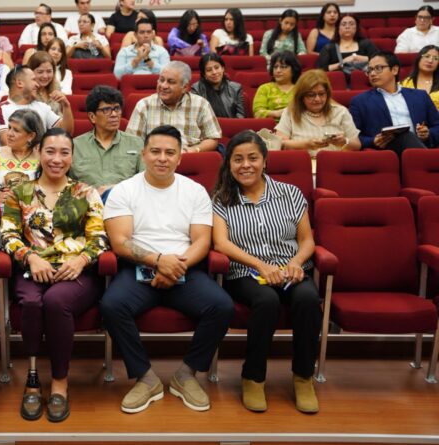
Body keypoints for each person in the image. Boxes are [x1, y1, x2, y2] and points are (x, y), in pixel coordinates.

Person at [100, 125, 234, 413]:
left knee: (222, 306)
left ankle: (186, 374)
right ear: (144, 154)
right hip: (138, 269)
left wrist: (174, 267)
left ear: (180, 157)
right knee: (111, 306)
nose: (162, 158)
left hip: (185, 268)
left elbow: (202, 241)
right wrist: (159, 261)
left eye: (170, 153)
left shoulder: (195, 191)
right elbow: (121, 243)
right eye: (156, 151)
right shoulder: (124, 190)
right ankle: (145, 378)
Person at [1, 128, 108, 422]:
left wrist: (82, 260)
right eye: (50, 151)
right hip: (32, 269)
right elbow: (8, 234)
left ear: (72, 156)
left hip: (76, 272)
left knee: (56, 301)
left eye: (64, 152)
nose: (57, 159)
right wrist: (31, 257)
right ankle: (33, 376)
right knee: (32, 302)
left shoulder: (86, 192)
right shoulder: (19, 192)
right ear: (38, 152)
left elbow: (99, 237)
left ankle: (60, 380)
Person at [211, 130, 321, 414]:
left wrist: (296, 262)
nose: (245, 165)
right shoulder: (222, 198)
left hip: (290, 269)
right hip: (245, 272)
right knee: (266, 301)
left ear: (264, 160)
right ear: (229, 164)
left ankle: (303, 377)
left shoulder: (290, 193)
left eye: (252, 158)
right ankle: (253, 377)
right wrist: (260, 265)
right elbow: (221, 243)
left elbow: (307, 240)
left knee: (308, 299)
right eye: (237, 159)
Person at [350, 51, 439, 154]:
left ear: (394, 70)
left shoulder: (420, 96)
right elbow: (353, 136)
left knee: (408, 136)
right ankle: (426, 159)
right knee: (406, 136)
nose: (372, 74)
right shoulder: (360, 101)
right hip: (387, 152)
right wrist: (373, 141)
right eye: (369, 70)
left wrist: (428, 134)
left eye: (378, 68)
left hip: (418, 144)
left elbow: (437, 125)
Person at [276, 69, 361, 172]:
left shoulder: (341, 112)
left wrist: (344, 141)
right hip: (301, 168)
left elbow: (357, 145)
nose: (317, 99)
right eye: (311, 95)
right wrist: (307, 144)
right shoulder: (290, 112)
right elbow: (280, 143)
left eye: (321, 94)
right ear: (301, 96)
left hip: (336, 167)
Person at [126, 61, 221, 152]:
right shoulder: (144, 105)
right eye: (161, 80)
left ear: (184, 87)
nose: (164, 86)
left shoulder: (201, 105)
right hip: (154, 160)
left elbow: (213, 138)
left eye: (170, 82)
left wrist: (194, 149)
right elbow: (131, 142)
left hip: (189, 159)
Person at [71, 86, 144, 196]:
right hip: (86, 202)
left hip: (126, 201)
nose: (114, 114)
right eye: (106, 110)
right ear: (92, 117)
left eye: (117, 108)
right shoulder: (75, 146)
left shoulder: (136, 143)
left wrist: (113, 189)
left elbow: (145, 181)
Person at [0, 66, 73, 146]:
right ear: (19, 83)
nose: (37, 85)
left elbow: (65, 132)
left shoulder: (42, 106)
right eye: (33, 80)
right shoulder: (0, 109)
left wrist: (66, 106)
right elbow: (8, 143)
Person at [0, 109, 44, 205]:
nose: (9, 134)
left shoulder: (42, 159)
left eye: (16, 130)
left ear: (31, 136)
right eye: (9, 127)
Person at [317, 15, 377, 82]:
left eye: (351, 24)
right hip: (338, 82)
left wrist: (355, 57)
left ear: (356, 27)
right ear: (338, 28)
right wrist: (342, 63)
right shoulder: (329, 47)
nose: (347, 27)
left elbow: (379, 60)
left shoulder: (366, 43)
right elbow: (321, 69)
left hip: (365, 81)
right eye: (343, 24)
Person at [190, 53, 246, 119]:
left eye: (217, 68)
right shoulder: (196, 89)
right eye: (209, 70)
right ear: (204, 74)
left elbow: (240, 116)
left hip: (232, 125)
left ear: (223, 68)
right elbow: (196, 117)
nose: (214, 72)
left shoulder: (236, 88)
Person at [253, 51, 301, 121]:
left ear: (293, 69)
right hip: (271, 126)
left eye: (283, 67)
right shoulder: (264, 88)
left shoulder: (300, 89)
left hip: (297, 124)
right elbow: (257, 113)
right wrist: (278, 113)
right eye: (275, 67)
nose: (278, 71)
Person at [28, 51, 69, 116]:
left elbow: (58, 113)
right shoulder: (26, 90)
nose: (45, 76)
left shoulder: (56, 85)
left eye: (49, 71)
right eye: (40, 72)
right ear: (30, 72)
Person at [401, 45, 439, 111]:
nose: (430, 61)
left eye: (436, 58)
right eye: (427, 56)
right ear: (419, 59)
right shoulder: (404, 84)